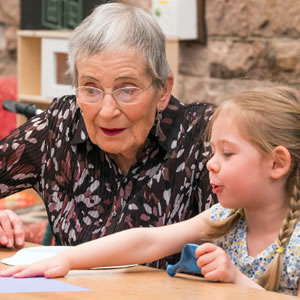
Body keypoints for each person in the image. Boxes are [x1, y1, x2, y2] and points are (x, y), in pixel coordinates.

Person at [1, 85, 299, 296]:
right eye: (213, 152)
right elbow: (146, 241)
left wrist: (237, 281)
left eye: (228, 154)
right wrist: (69, 258)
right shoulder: (226, 217)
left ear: (277, 164)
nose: (211, 164)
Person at [0, 3, 217, 268]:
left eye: (127, 89)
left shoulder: (204, 138)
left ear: (163, 90)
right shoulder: (60, 126)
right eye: (91, 89)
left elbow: (243, 237)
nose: (107, 111)